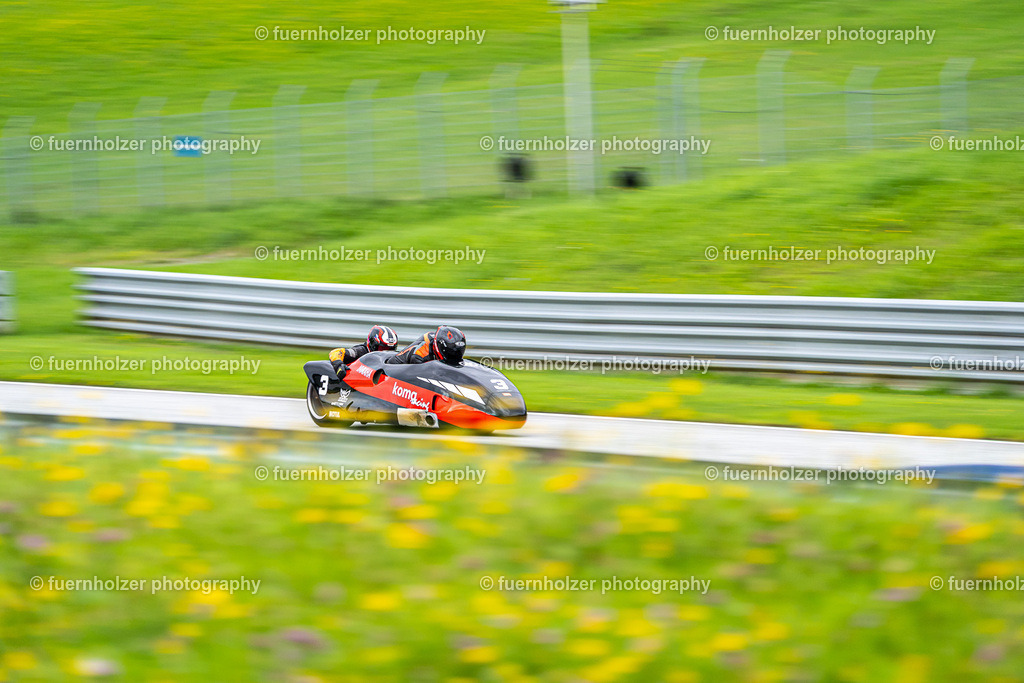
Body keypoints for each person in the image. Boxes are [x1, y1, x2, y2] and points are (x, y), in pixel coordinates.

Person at [329, 325, 399, 376]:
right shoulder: (360, 351)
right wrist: (338, 364)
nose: (385, 352)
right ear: (372, 343)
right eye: (382, 348)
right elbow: (336, 352)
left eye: (390, 349)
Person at [387, 325, 467, 366]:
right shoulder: (420, 356)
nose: (454, 356)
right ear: (440, 346)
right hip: (395, 368)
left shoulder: (438, 340)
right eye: (451, 353)